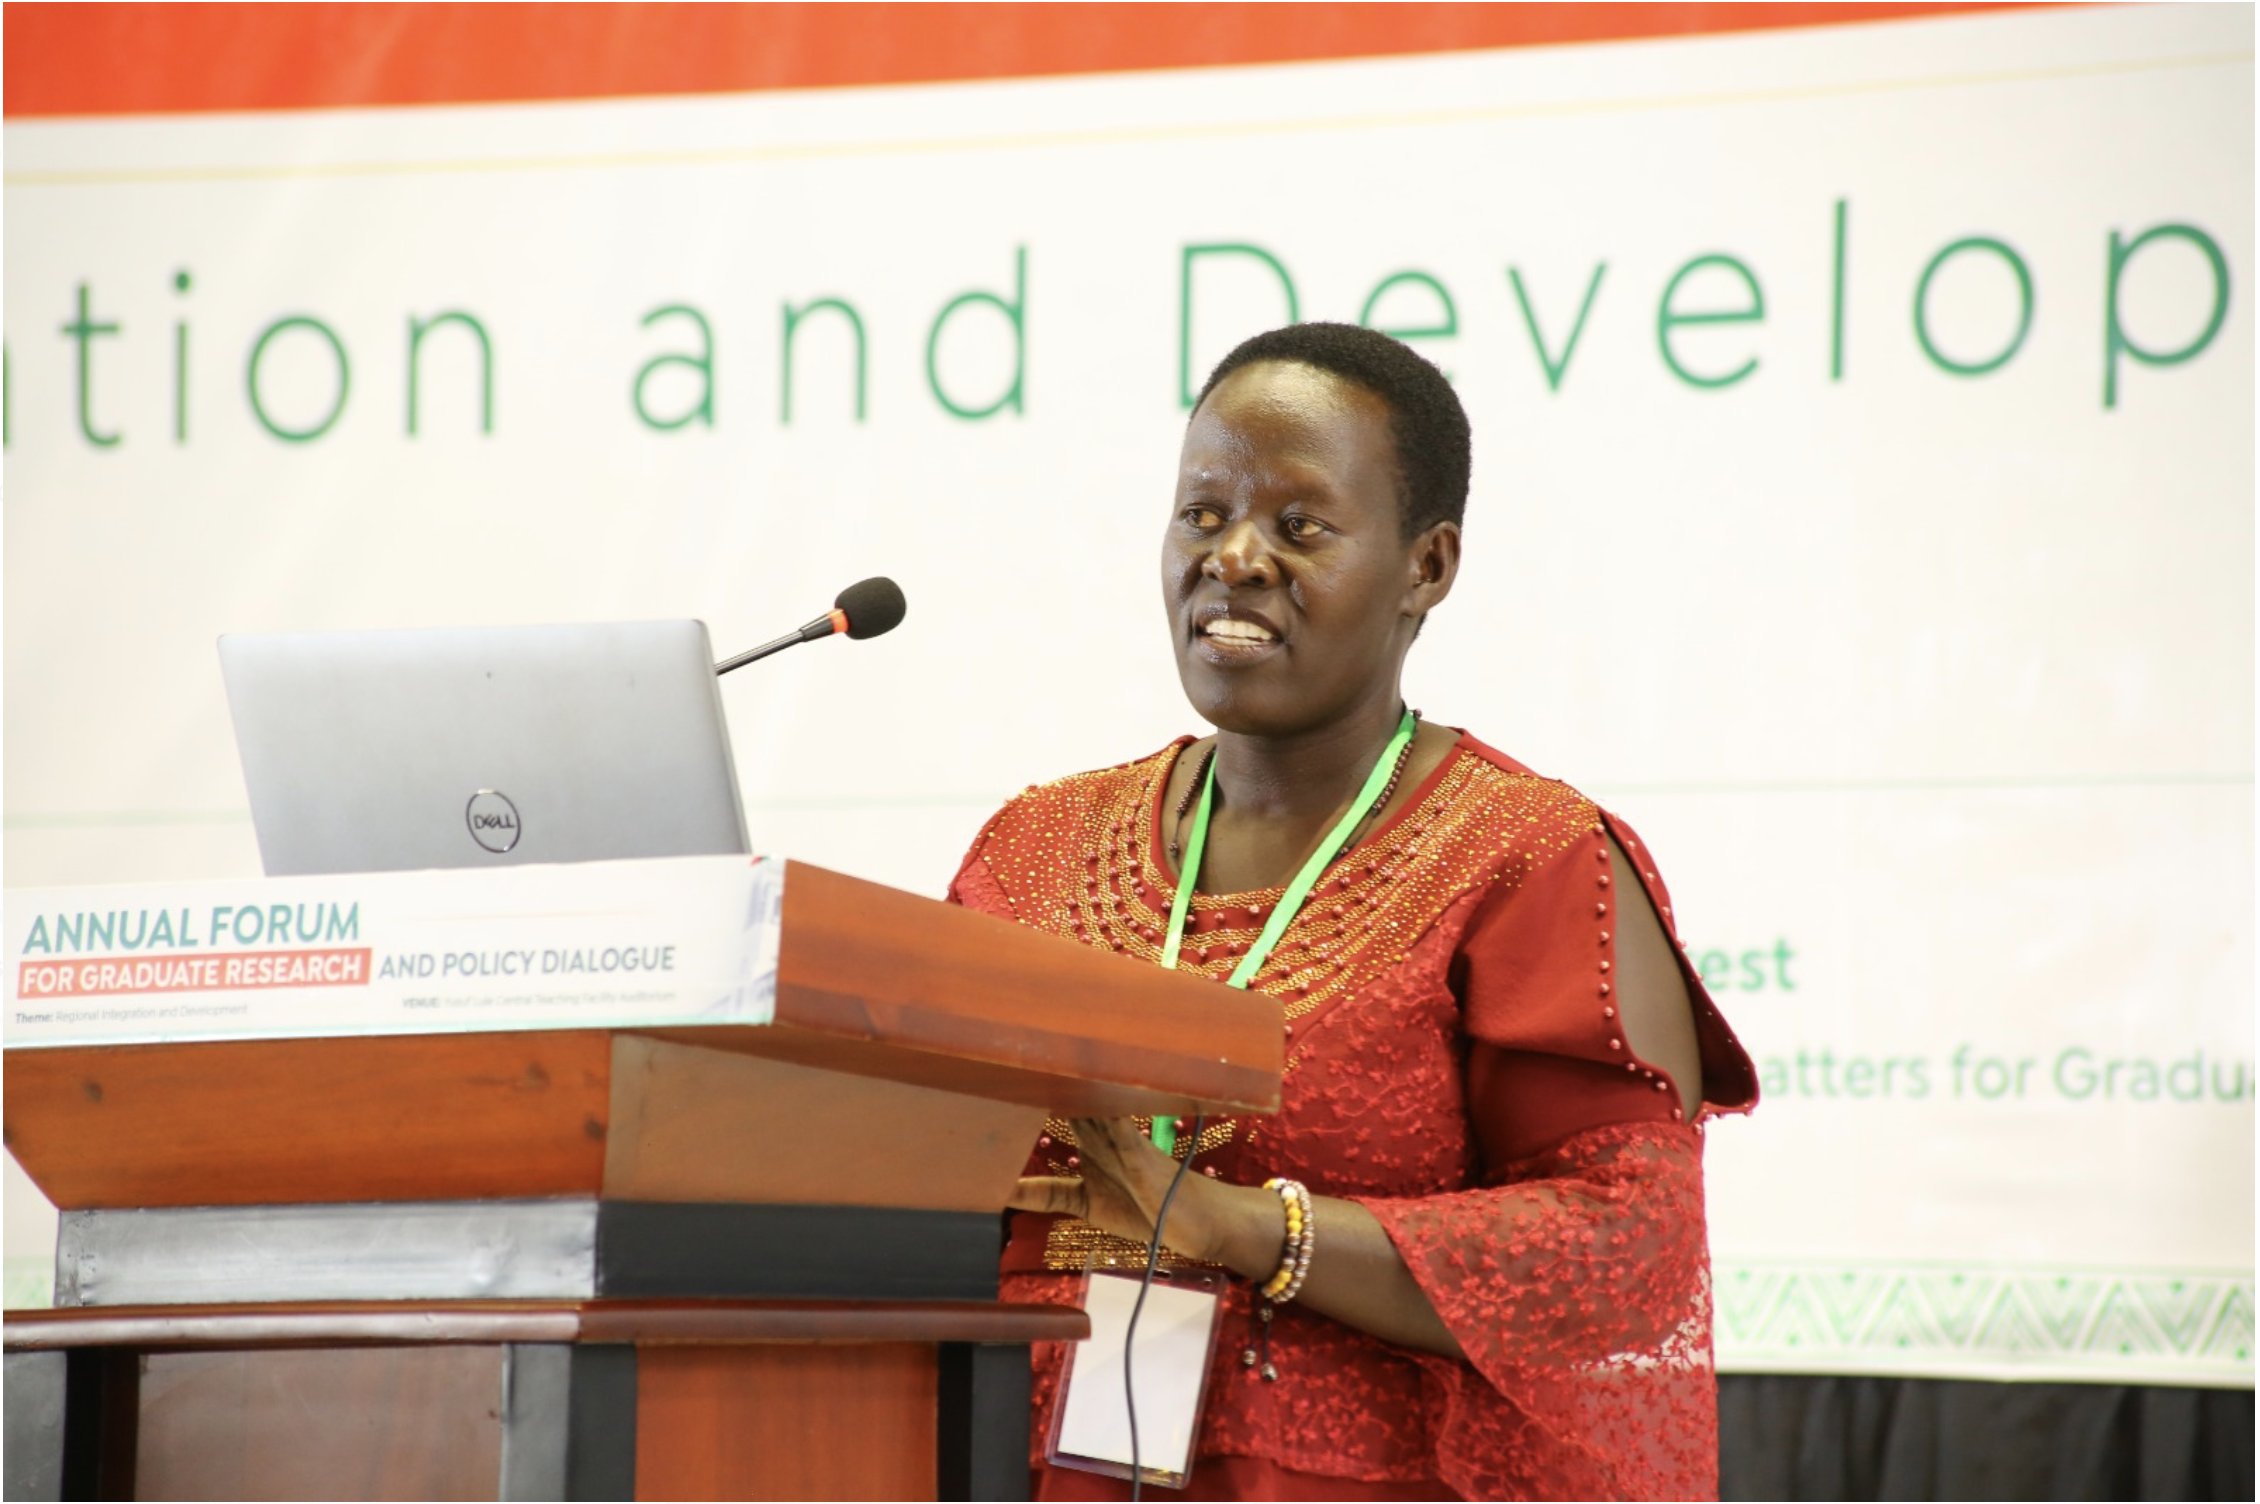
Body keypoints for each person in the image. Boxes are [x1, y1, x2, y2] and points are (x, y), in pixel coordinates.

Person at [947, 322, 1758, 1501]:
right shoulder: (1034, 849)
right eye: (1201, 513)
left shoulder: (1522, 857)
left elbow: (1621, 1248)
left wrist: (1245, 1229)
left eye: (1299, 526)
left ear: (1425, 567)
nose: (1233, 557)